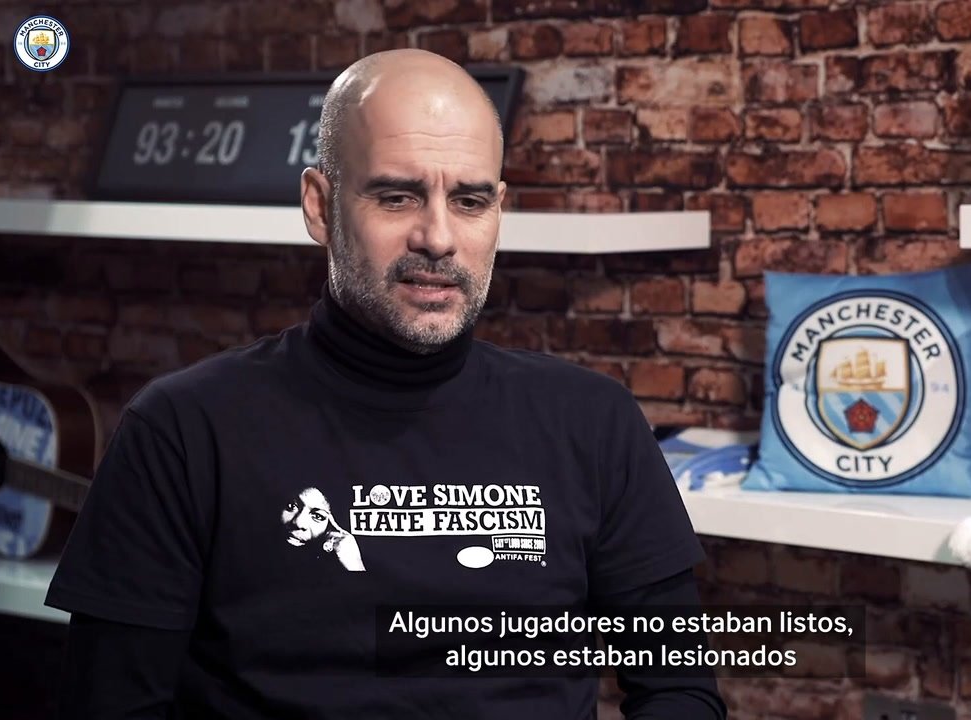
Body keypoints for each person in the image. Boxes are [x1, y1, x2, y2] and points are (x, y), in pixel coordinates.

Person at [46, 49, 726, 719]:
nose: (437, 237)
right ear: (320, 205)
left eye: (469, 200)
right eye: (396, 196)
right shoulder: (183, 431)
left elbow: (679, 688)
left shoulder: (593, 421)